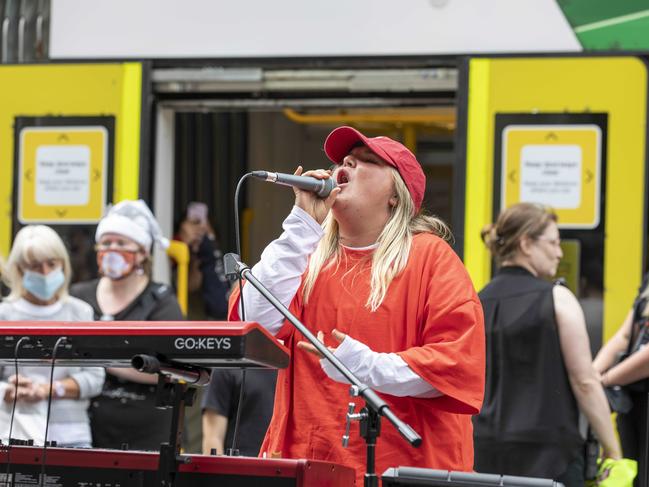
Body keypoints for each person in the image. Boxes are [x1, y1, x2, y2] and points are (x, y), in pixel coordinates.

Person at [228, 126, 485, 483]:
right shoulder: (306, 256)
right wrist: (301, 227)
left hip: (404, 469)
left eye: (367, 161)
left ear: (396, 195)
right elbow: (251, 322)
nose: (346, 162)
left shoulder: (431, 257)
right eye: (344, 160)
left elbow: (457, 365)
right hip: (310, 467)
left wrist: (367, 366)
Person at [474, 203, 621, 485]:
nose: (559, 252)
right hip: (549, 458)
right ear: (526, 244)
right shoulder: (557, 298)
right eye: (553, 242)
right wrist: (613, 451)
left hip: (485, 455)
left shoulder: (478, 301)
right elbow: (585, 382)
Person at [70, 200, 184, 451]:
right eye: (106, 243)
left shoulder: (161, 302)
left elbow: (174, 368)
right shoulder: (79, 297)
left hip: (147, 437)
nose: (112, 250)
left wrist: (97, 359)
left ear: (143, 252)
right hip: (84, 433)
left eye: (122, 244)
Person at [0, 225, 105, 447]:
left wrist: (47, 390)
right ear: (19, 270)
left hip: (72, 436)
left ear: (63, 265)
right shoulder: (4, 315)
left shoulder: (80, 312)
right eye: (35, 266)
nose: (45, 273)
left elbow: (96, 377)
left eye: (51, 264)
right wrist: (8, 391)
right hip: (15, 432)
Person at [594, 272, 649, 485]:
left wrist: (604, 380)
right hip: (633, 401)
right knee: (632, 473)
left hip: (636, 392)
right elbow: (625, 336)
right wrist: (592, 373)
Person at [201, 368, 277, 456]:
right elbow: (213, 438)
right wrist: (219, 468)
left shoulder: (288, 368)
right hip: (237, 466)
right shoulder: (224, 369)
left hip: (279, 465)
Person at [175, 202, 229, 320]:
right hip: (186, 320)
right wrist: (184, 245)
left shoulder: (214, 255)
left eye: (204, 224)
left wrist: (208, 248)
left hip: (212, 320)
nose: (200, 229)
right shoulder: (172, 251)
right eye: (194, 223)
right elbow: (190, 285)